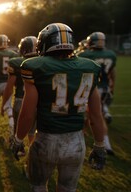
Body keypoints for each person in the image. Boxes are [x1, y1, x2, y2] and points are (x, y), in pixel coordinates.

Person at [10, 23, 106, 192]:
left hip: (47, 140)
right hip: (76, 143)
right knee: (67, 189)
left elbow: (28, 114)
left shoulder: (35, 66)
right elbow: (96, 116)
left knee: (38, 186)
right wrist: (99, 145)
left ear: (45, 43)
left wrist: (18, 139)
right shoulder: (90, 67)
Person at [78, 31, 116, 155]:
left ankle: (105, 144)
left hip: (90, 88)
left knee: (92, 115)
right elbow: (112, 74)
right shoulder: (111, 54)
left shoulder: (85, 54)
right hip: (104, 88)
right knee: (95, 113)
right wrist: (112, 88)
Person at [1, 36, 38, 145]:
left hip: (20, 100)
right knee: (32, 132)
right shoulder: (44, 63)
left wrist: (4, 103)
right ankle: (31, 154)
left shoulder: (17, 62)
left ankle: (18, 147)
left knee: (18, 132)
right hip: (38, 103)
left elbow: (9, 87)